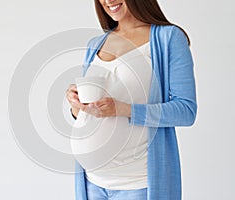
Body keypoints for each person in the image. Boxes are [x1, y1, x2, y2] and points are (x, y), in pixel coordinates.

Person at [66, 0, 197, 199]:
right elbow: (89, 112)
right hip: (92, 183)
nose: (108, 1)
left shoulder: (168, 38)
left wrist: (125, 110)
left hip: (137, 184)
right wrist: (76, 106)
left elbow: (186, 111)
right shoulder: (96, 44)